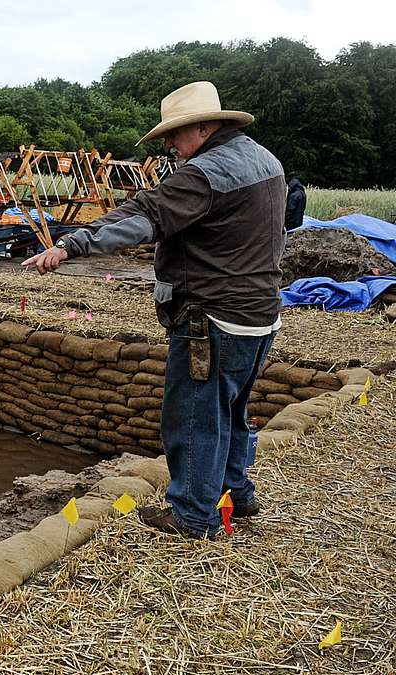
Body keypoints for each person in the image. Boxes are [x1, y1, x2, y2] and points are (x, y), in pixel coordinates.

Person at [23, 81, 285, 539]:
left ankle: (193, 516)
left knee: (195, 417)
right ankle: (236, 495)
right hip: (261, 315)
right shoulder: (266, 161)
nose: (169, 144)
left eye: (175, 134)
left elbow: (142, 215)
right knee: (233, 409)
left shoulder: (204, 175)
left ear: (203, 127)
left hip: (212, 317)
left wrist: (71, 244)